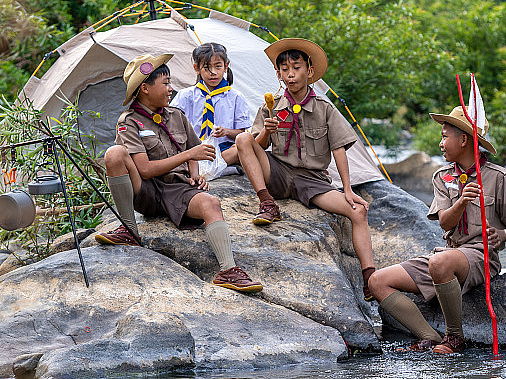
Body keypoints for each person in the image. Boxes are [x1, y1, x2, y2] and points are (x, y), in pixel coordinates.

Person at [96, 53, 263, 293]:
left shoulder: (176, 115)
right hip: (147, 191)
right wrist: (188, 156)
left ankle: (228, 271)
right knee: (114, 154)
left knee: (211, 203)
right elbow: (145, 169)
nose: (171, 89)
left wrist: (195, 174)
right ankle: (129, 229)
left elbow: (193, 150)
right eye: (165, 83)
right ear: (145, 88)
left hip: (178, 188)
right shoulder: (129, 122)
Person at [368, 106, 506, 354]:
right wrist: (461, 202)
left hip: (480, 256)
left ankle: (454, 337)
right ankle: (430, 337)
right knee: (377, 281)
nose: (440, 144)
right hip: (447, 254)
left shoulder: (498, 177)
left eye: (444, 137)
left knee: (440, 263)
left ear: (463, 140)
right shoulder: (442, 177)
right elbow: (444, 223)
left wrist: (502, 235)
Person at [234, 38, 377, 301]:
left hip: (312, 180)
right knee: (243, 139)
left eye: (296, 68)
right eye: (284, 69)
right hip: (277, 172)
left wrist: (347, 189)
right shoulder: (271, 107)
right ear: (278, 74)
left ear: (309, 72)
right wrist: (266, 131)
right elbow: (255, 147)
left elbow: (339, 149)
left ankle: (371, 279)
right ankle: (267, 203)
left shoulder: (324, 108)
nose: (290, 74)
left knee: (358, 211)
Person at [170, 42, 250, 166]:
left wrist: (226, 132)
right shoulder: (185, 95)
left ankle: (213, 168)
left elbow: (241, 133)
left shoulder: (236, 98)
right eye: (207, 67)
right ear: (197, 68)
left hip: (224, 151)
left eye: (218, 66)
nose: (213, 72)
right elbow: (173, 125)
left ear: (226, 66)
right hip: (192, 151)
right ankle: (213, 168)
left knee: (242, 148)